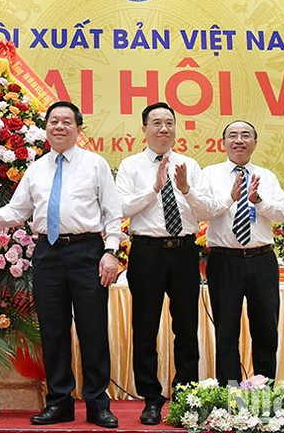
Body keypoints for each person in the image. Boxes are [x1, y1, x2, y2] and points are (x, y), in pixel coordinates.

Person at [0, 101, 122, 429]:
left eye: (66, 122)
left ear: (78, 128)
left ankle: (97, 404)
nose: (59, 127)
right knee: (53, 330)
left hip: (87, 252)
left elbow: (113, 212)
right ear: (46, 128)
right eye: (53, 121)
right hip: (48, 254)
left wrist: (111, 250)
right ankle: (59, 402)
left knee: (92, 330)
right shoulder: (36, 169)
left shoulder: (95, 164)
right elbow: (14, 213)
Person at [115, 102, 212, 425]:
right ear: (144, 129)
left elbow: (205, 212)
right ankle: (151, 399)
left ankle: (186, 396)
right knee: (145, 328)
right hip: (146, 252)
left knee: (186, 327)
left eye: (169, 123)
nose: (164, 128)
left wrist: (186, 189)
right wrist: (153, 188)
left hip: (184, 251)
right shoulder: (130, 166)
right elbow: (121, 207)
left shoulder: (189, 165)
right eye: (156, 123)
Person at [201, 120, 284, 386]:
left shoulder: (266, 176)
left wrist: (259, 201)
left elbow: (283, 213)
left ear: (255, 142)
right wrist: (230, 198)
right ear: (223, 143)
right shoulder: (209, 174)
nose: (239, 140)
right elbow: (202, 211)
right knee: (226, 331)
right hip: (223, 259)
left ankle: (265, 390)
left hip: (261, 259)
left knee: (265, 329)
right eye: (233, 135)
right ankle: (230, 391)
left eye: (245, 135)